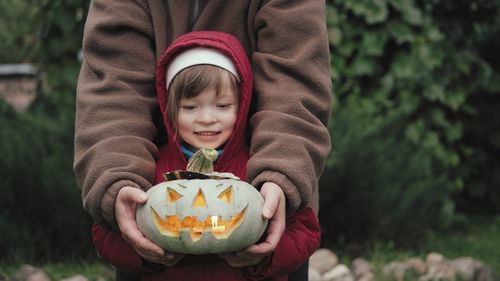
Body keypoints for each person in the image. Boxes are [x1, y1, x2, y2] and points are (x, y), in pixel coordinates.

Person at [75, 1, 331, 280]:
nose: (207, 119)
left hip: (273, 182)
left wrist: (282, 176)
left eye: (222, 106)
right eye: (191, 107)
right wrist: (116, 187)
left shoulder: (251, 175)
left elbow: (295, 80)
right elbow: (114, 88)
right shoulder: (155, 180)